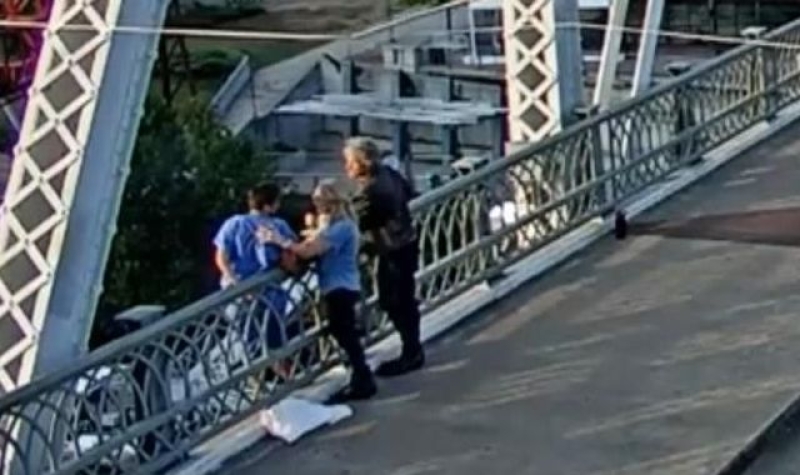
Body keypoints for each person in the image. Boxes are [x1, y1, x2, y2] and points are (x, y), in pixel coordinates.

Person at [257, 180, 377, 403]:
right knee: (342, 330)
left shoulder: (341, 227)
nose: (316, 205)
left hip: (340, 286)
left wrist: (278, 240)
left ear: (332, 202)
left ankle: (362, 377)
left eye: (319, 201)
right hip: (339, 285)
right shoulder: (338, 224)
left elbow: (308, 250)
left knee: (344, 332)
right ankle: (359, 375)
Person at [343, 137, 425, 377]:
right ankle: (412, 349)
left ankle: (411, 352)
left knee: (395, 301)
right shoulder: (389, 174)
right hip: (406, 243)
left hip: (392, 250)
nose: (346, 168)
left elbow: (355, 222)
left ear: (362, 163)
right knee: (403, 299)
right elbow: (409, 192)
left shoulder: (370, 191)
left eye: (350, 162)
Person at [213, 183, 298, 360]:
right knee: (274, 342)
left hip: (240, 293)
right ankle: (278, 376)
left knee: (247, 342)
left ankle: (254, 379)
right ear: (269, 205)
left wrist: (233, 280)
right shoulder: (278, 226)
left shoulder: (233, 224)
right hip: (271, 291)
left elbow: (221, 257)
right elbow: (292, 258)